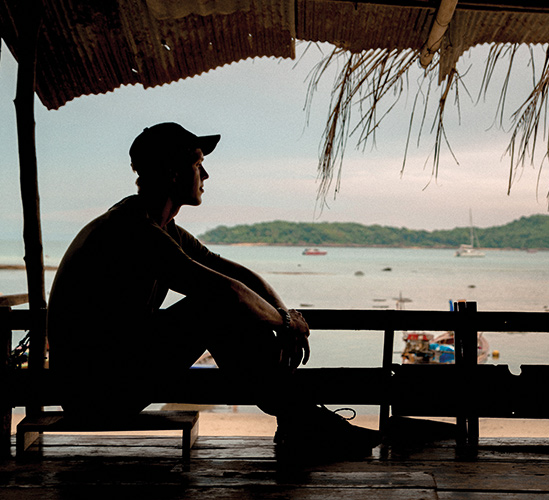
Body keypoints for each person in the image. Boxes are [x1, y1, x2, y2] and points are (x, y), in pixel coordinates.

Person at [47, 122, 380, 458]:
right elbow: (226, 292)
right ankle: (302, 421)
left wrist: (285, 313)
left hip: (116, 377)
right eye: (196, 164)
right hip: (92, 392)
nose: (205, 175)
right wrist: (284, 323)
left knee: (220, 305)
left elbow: (236, 273)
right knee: (213, 307)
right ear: (173, 173)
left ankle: (300, 420)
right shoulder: (132, 231)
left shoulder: (163, 229)